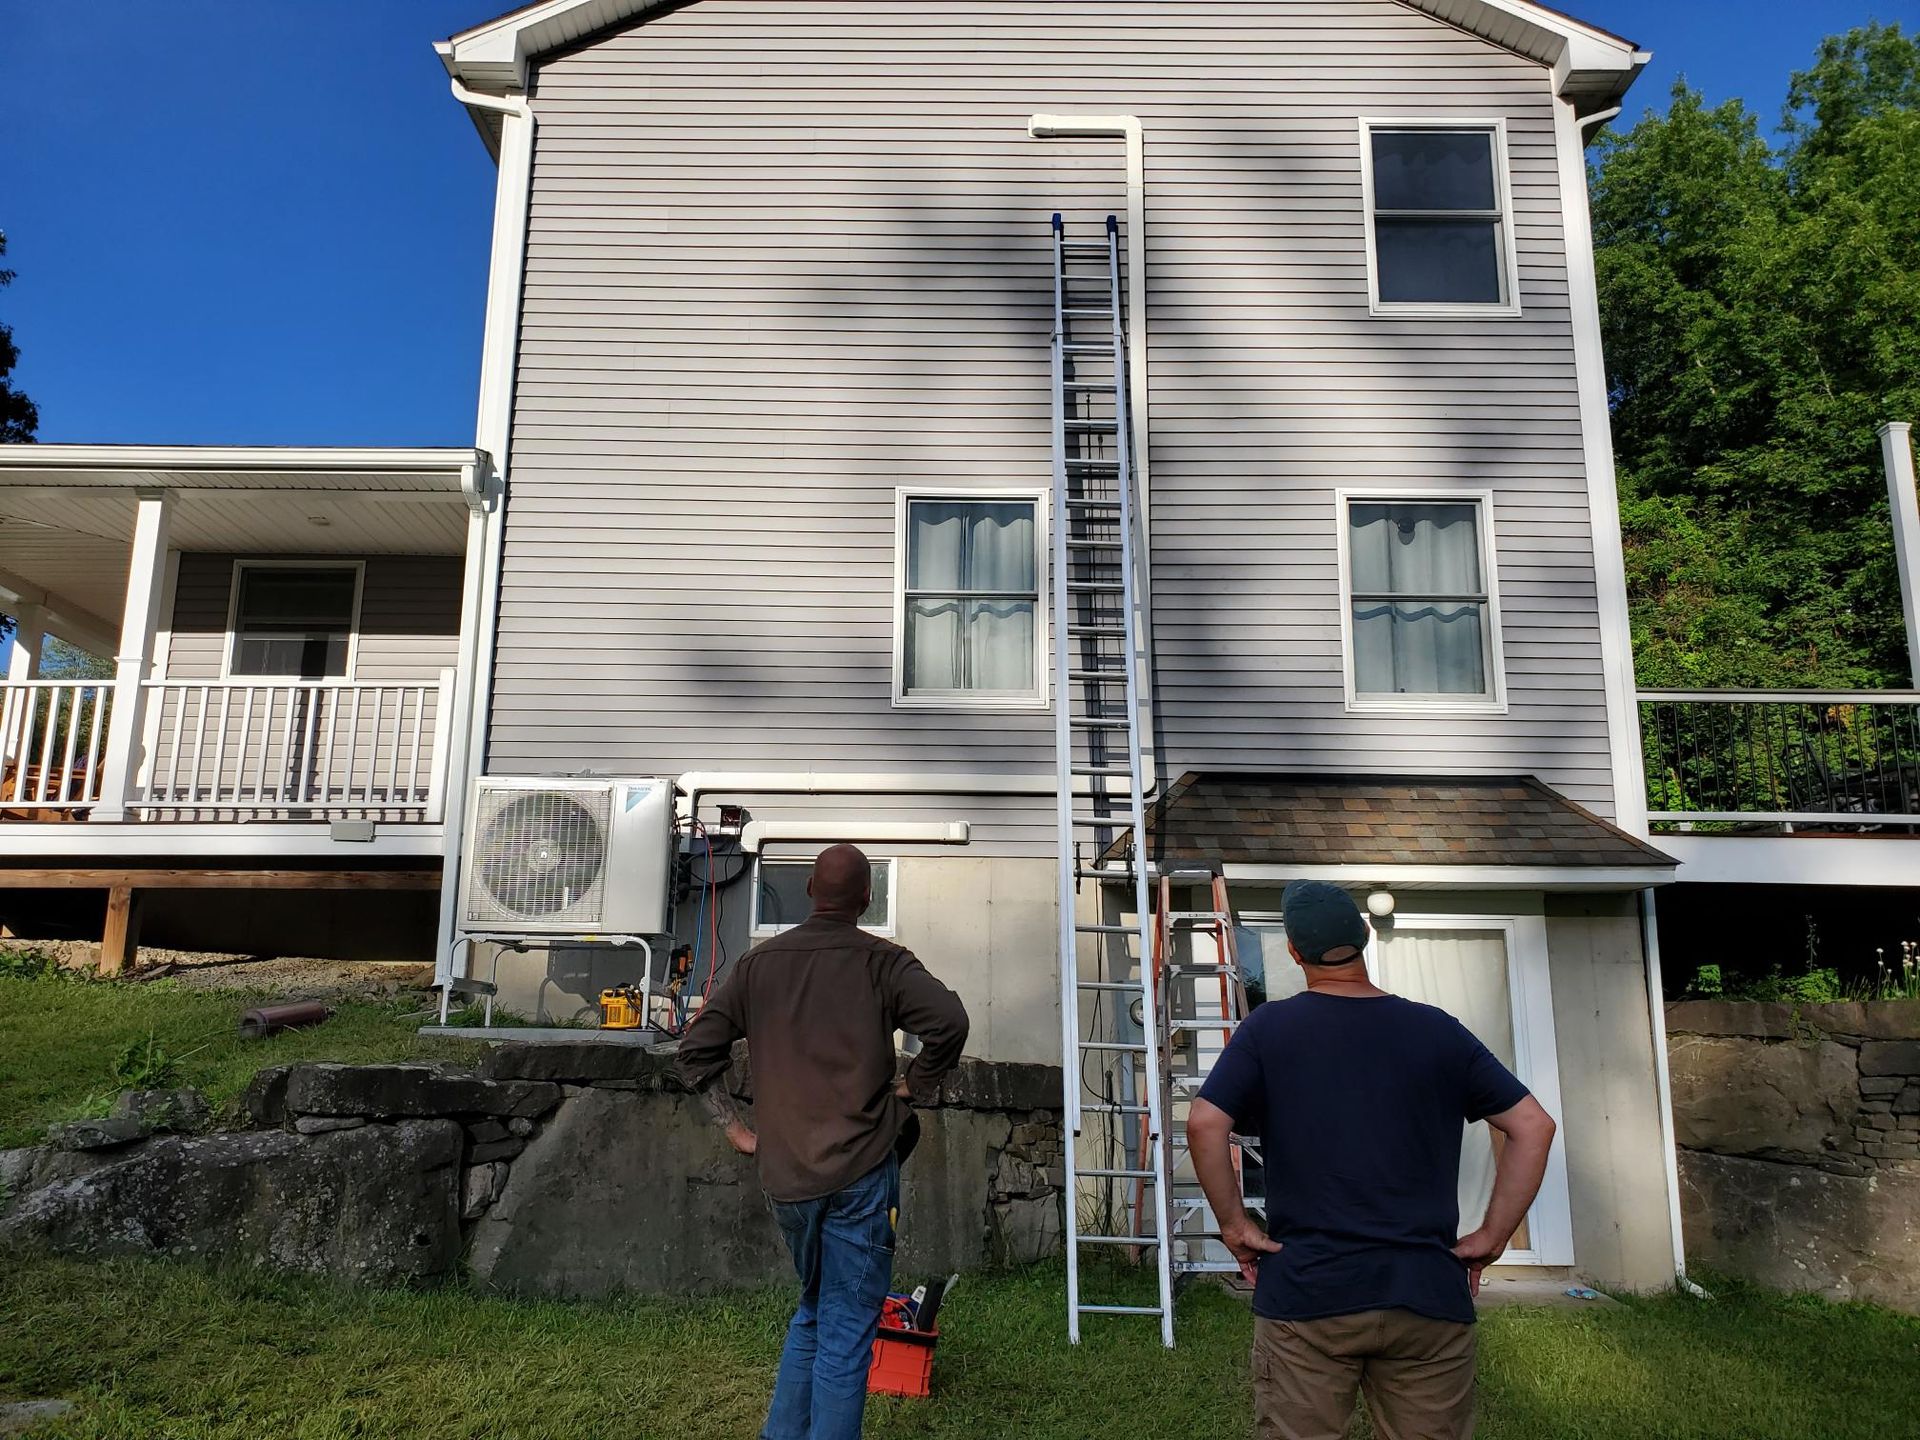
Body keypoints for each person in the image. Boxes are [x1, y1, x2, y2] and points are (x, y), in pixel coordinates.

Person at [1188, 880, 1558, 1440]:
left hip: (1308, 1295)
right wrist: (1492, 1237)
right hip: (1426, 1295)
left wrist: (1236, 1226)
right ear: (1363, 936)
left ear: (1293, 952)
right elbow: (1533, 1125)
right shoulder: (1438, 1029)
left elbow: (1204, 1123)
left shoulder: (1268, 1030)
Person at [675, 843, 969, 1440]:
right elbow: (950, 1022)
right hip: (861, 1176)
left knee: (814, 1310)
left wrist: (734, 1127)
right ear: (866, 898)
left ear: (810, 890)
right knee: (844, 1333)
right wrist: (915, 1085)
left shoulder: (759, 965)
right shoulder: (883, 962)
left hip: (786, 1180)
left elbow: (694, 1053)